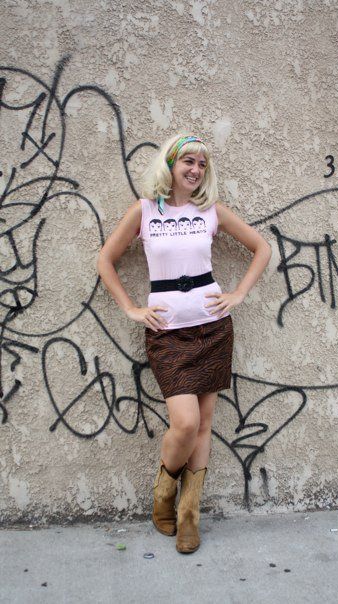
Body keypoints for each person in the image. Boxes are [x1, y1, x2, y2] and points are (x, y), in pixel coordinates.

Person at [97, 133, 272, 554]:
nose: (195, 170)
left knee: (206, 424)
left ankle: (190, 515)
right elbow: (105, 260)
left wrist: (238, 294)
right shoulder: (144, 212)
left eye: (201, 164)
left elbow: (261, 248)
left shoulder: (210, 211)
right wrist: (132, 309)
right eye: (188, 162)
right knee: (186, 424)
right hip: (167, 336)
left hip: (213, 329)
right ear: (171, 165)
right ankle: (163, 494)